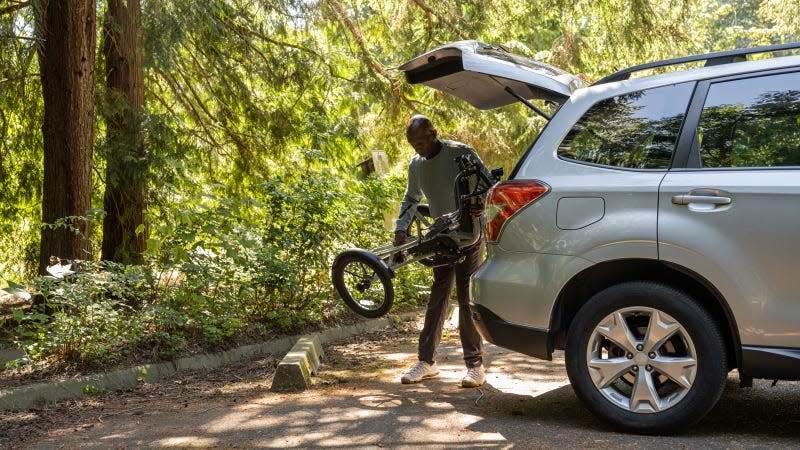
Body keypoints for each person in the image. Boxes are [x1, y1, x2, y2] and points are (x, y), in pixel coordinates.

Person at [394, 114, 487, 388]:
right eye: (413, 144)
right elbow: (411, 198)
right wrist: (401, 227)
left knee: (466, 297)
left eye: (421, 142)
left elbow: (486, 187)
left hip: (470, 234)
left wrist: (480, 204)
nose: (417, 148)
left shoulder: (461, 154)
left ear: (433, 133)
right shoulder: (416, 165)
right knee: (438, 295)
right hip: (441, 236)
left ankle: (475, 366)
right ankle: (427, 361)